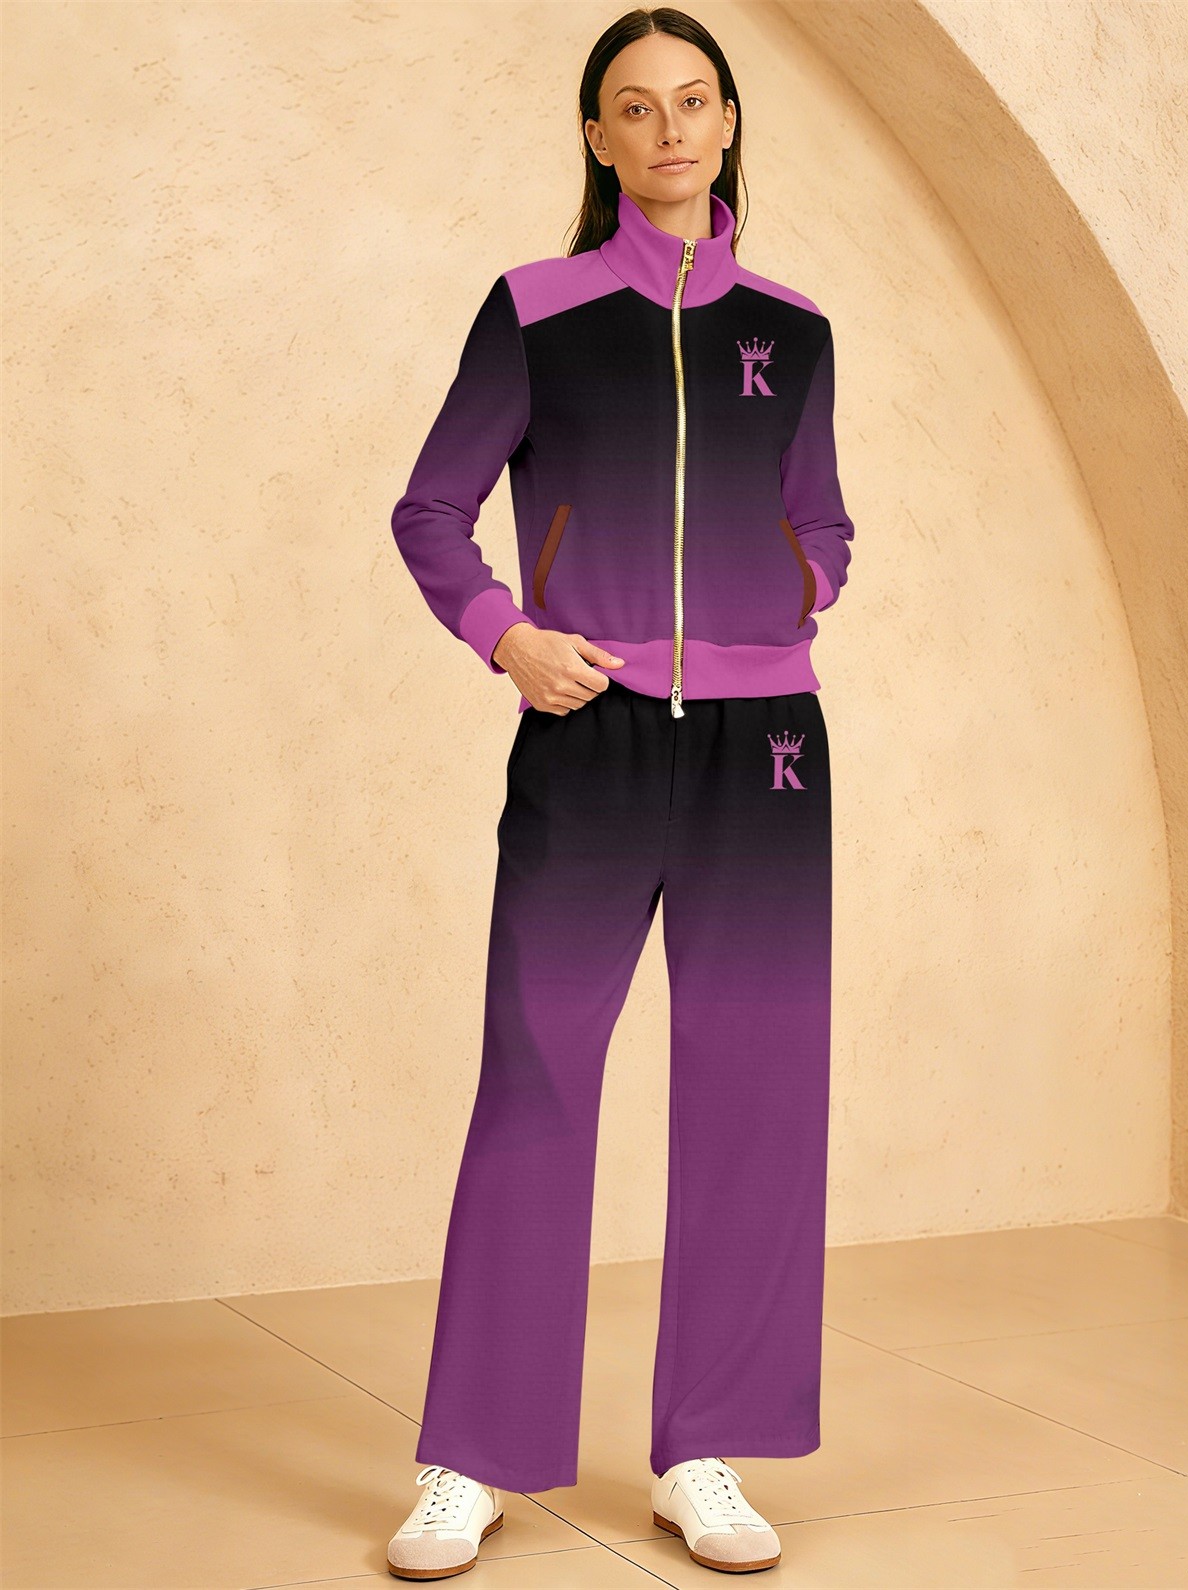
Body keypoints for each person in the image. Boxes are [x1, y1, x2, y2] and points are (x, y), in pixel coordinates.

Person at [384, 7, 855, 1579]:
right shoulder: (537, 310)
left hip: (764, 749)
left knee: (756, 1085)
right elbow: (433, 506)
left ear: (727, 125)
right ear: (597, 136)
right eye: (635, 107)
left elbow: (824, 518)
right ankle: (472, 1454)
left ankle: (704, 1447)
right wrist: (506, 634)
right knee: (535, 1072)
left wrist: (793, 590)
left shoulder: (793, 329)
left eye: (694, 101)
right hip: (587, 731)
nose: (669, 129)